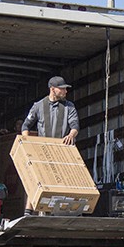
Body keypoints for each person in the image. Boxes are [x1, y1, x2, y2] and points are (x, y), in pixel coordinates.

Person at [20, 75, 80, 215]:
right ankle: (28, 210)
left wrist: (71, 135)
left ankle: (58, 210)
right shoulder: (38, 106)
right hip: (43, 149)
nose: (66, 92)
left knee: (62, 179)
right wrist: (27, 144)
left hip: (62, 149)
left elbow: (75, 125)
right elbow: (26, 125)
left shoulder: (69, 107)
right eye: (63, 89)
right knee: (37, 177)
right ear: (53, 89)